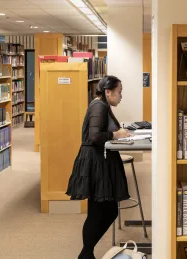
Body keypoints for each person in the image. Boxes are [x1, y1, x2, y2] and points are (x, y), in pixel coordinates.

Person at [66, 75, 131, 259]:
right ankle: (86, 254)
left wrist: (116, 134)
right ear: (108, 92)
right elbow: (94, 136)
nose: (121, 96)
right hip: (94, 164)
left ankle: (86, 253)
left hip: (100, 162)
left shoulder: (103, 105)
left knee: (109, 211)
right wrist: (116, 135)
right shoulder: (98, 107)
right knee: (97, 212)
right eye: (119, 92)